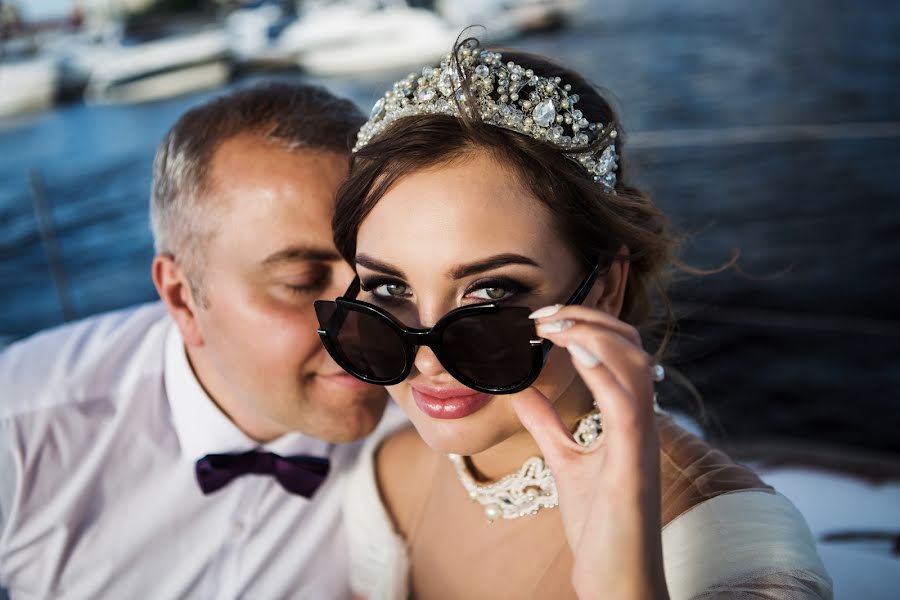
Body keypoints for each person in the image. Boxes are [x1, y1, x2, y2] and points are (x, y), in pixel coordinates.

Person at [317, 39, 834, 598]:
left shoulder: (740, 547)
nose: (425, 359)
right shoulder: (384, 472)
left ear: (605, 287)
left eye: (490, 293)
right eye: (390, 288)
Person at [0, 83, 399, 598]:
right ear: (183, 297)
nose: (367, 325)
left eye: (385, 281)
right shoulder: (21, 429)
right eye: (302, 282)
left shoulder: (436, 403)